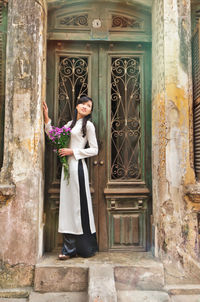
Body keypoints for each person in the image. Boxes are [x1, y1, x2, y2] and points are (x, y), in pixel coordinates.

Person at [43, 96, 99, 260]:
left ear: (90, 111)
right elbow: (55, 137)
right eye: (82, 103)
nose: (85, 106)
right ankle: (70, 248)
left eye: (89, 106)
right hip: (67, 169)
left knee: (77, 206)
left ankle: (80, 248)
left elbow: (94, 149)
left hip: (78, 168)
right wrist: (46, 118)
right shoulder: (69, 124)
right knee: (68, 207)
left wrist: (73, 152)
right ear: (76, 106)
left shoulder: (88, 126)